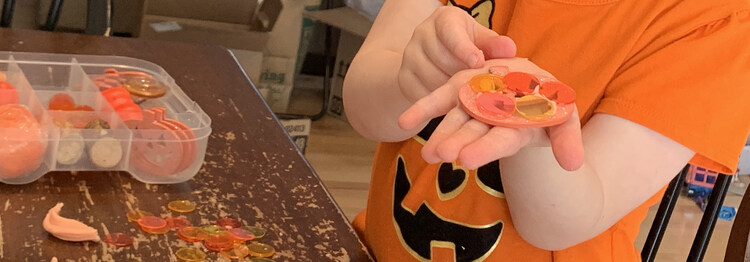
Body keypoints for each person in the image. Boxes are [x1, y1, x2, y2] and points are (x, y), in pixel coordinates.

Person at [342, 0, 750, 260]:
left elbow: (560, 224)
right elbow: (362, 107)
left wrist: (533, 128)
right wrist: (408, 77)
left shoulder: (714, 23)